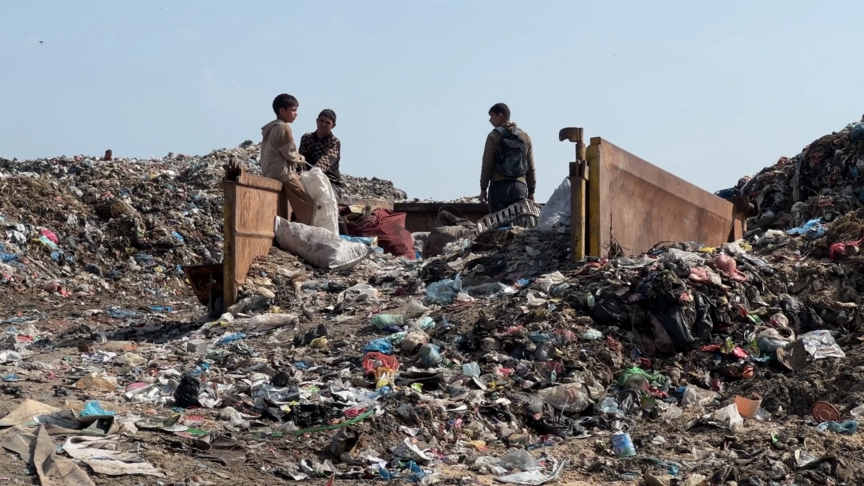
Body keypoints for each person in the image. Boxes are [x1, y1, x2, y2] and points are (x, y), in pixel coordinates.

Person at [260, 93, 315, 225]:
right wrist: (300, 158)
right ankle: (302, 231)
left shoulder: (271, 127)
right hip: (282, 173)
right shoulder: (284, 127)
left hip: (269, 171)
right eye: (293, 110)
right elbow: (290, 154)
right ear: (282, 111)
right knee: (308, 203)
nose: (296, 114)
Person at [479, 103, 537, 213]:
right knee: (518, 224)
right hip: (519, 187)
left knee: (497, 225)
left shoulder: (493, 136)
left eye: (491, 115)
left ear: (500, 115)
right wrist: (531, 191)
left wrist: (483, 188)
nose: (490, 120)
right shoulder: (525, 137)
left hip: (499, 187)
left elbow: (487, 165)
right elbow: (531, 166)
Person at [299, 109, 343, 200]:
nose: (323, 125)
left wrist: (312, 175)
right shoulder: (307, 138)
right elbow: (301, 160)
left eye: (327, 123)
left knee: (328, 201)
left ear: (333, 125)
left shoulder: (334, 142)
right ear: (317, 121)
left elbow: (325, 162)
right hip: (306, 178)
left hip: (330, 181)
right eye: (321, 121)